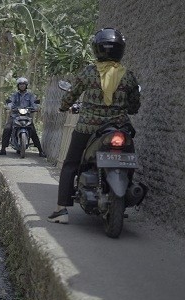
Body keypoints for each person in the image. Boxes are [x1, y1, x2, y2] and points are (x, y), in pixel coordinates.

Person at [47, 27, 141, 224]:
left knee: (71, 164)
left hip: (88, 129)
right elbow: (134, 106)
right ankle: (123, 198)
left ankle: (61, 210)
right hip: (119, 128)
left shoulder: (89, 73)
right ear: (120, 50)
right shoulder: (128, 76)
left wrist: (64, 107)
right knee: (129, 159)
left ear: (97, 50)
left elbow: (71, 95)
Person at [0, 77, 46, 157]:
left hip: (26, 116)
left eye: (23, 84)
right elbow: (10, 102)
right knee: (7, 129)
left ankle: (40, 151)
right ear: (18, 86)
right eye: (20, 84)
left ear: (26, 85)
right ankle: (3, 149)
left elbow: (34, 103)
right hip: (15, 116)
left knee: (33, 131)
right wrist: (9, 107)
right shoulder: (14, 95)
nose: (22, 86)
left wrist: (36, 107)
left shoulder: (31, 95)